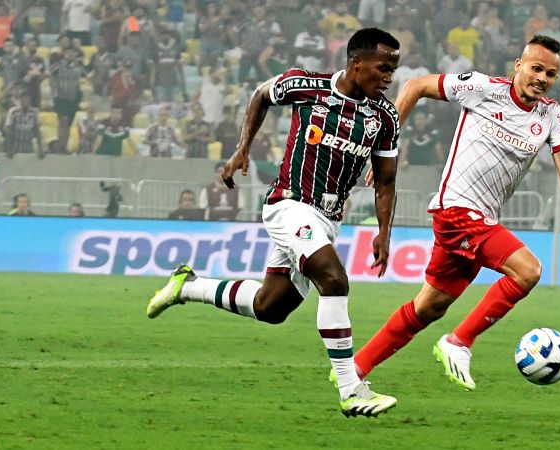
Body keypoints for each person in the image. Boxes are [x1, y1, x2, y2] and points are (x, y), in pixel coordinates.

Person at [146, 28, 402, 418]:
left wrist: (384, 232)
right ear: (356, 63)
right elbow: (260, 96)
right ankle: (352, 390)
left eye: (392, 70)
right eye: (383, 68)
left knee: (271, 307)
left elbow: (385, 182)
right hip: (289, 205)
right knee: (333, 279)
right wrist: (242, 148)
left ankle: (189, 286)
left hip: (328, 219)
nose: (388, 78)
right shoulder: (306, 85)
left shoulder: (384, 116)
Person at [352, 35, 560, 391]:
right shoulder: (482, 88)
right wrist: (386, 148)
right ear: (519, 65)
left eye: (550, 73)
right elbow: (415, 86)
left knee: (428, 308)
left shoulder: (552, 115)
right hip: (456, 210)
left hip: (481, 221)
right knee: (528, 270)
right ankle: (458, 341)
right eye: (536, 68)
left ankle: (354, 371)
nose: (542, 78)